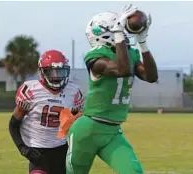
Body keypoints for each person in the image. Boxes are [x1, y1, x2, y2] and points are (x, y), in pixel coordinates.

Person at [65, 4, 158, 174]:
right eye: (119, 27)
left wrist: (143, 43)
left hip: (113, 131)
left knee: (133, 171)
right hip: (88, 130)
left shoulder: (130, 55)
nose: (124, 32)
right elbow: (122, 70)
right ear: (106, 31)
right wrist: (118, 34)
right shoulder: (96, 57)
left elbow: (151, 77)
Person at [8, 50, 84, 174]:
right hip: (38, 151)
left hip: (62, 149)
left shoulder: (73, 92)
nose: (56, 76)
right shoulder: (31, 90)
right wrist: (22, 148)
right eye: (52, 72)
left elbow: (75, 124)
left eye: (60, 72)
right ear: (42, 72)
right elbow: (13, 124)